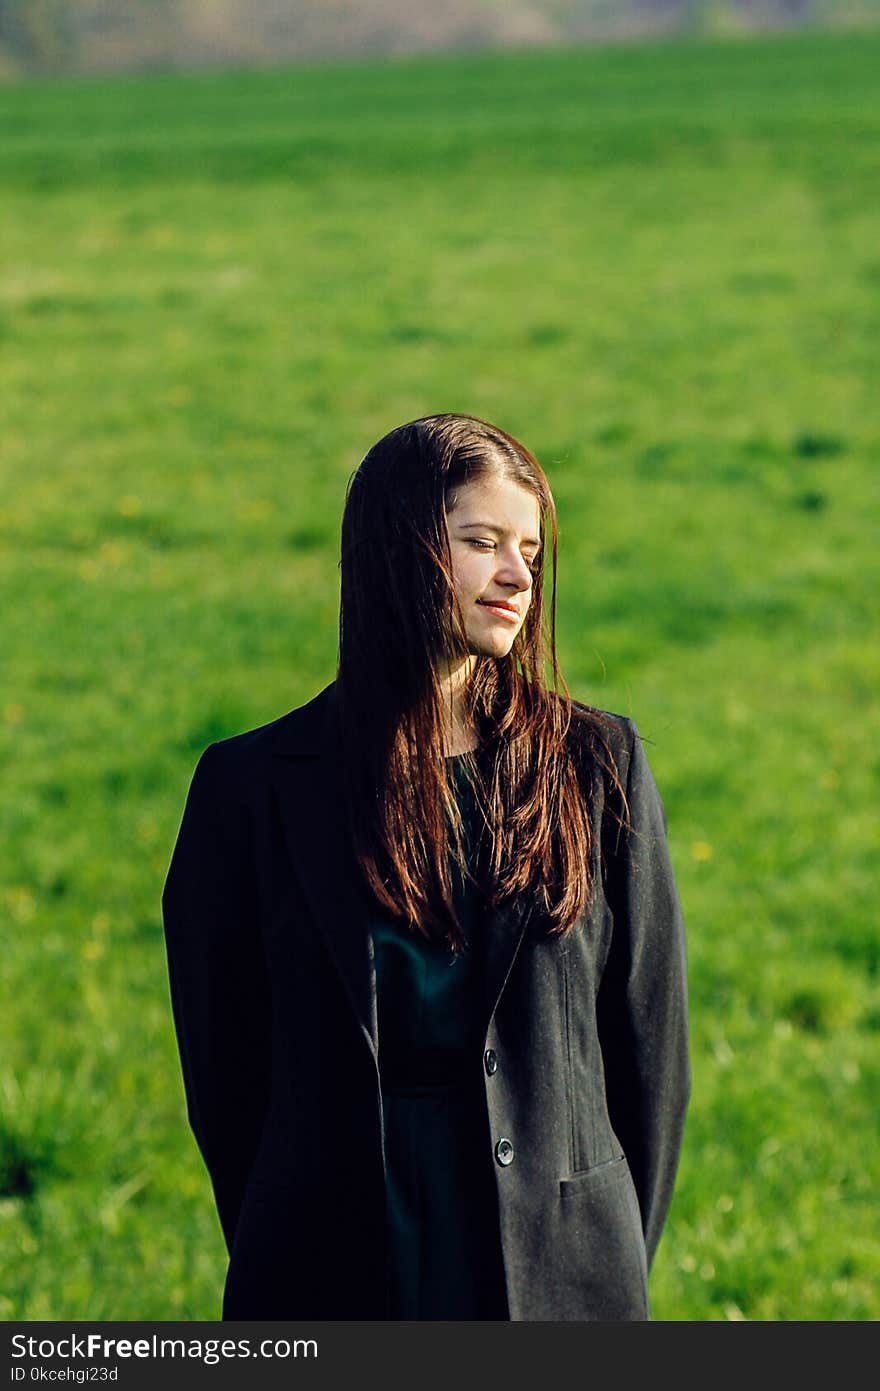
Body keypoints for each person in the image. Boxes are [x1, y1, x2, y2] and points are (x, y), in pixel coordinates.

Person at [161, 412, 690, 1321]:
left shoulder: (599, 765)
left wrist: (603, 1265)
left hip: (561, 1267)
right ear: (397, 552)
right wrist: (285, 1236)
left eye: (528, 546)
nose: (519, 574)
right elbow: (227, 1072)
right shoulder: (248, 789)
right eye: (482, 542)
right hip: (332, 1263)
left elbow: (650, 1055)